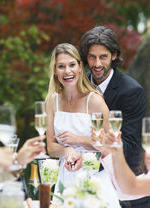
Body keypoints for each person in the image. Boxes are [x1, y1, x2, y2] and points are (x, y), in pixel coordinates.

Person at [79, 26, 148, 208]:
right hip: (82, 179)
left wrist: (86, 146)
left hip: (124, 184)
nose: (97, 63)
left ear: (114, 56)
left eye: (103, 57)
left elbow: (130, 142)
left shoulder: (132, 91)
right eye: (92, 57)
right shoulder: (78, 86)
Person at [46, 43, 109, 190]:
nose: (67, 71)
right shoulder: (52, 100)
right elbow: (51, 147)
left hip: (93, 177)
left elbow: (108, 145)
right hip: (64, 178)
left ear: (80, 67)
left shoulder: (94, 101)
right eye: (61, 66)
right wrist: (67, 150)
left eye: (72, 65)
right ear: (55, 71)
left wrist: (78, 140)